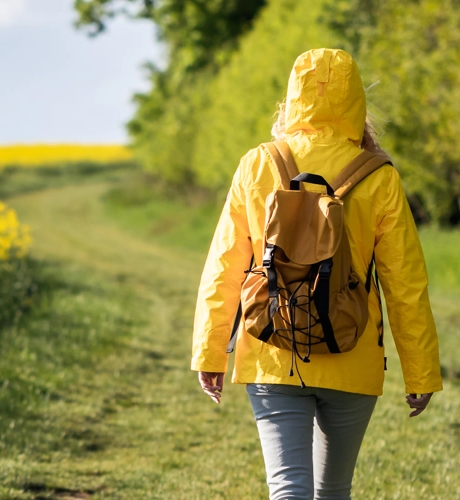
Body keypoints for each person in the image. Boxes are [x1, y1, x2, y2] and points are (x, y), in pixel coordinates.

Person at [189, 48, 443, 500]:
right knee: (334, 490)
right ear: (356, 104)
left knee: (287, 488)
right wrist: (420, 374)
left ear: (291, 100)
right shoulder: (379, 176)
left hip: (271, 349)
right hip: (353, 351)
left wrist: (209, 353)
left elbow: (225, 265)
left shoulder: (258, 164)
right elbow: (406, 284)